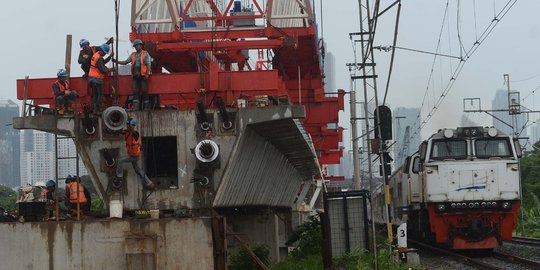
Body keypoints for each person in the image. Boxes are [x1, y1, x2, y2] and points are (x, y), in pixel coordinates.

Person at [116, 118, 155, 190]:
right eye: (127, 125)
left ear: (133, 126)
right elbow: (120, 131)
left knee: (120, 160)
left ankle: (119, 177)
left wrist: (130, 125)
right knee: (138, 170)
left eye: (129, 125)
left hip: (134, 156)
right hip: (132, 155)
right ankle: (150, 184)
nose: (127, 126)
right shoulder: (126, 132)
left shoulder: (135, 134)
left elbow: (133, 132)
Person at [114, 39, 151, 110]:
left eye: (137, 46)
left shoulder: (145, 54)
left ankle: (146, 106)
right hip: (135, 75)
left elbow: (148, 64)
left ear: (141, 46)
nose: (136, 47)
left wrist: (147, 74)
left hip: (143, 75)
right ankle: (136, 107)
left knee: (144, 90)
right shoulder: (133, 55)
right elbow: (125, 62)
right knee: (135, 91)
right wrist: (116, 61)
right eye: (135, 46)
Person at [88, 43, 114, 114]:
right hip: (97, 79)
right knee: (100, 95)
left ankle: (95, 109)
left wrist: (110, 57)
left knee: (95, 94)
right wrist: (110, 70)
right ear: (102, 51)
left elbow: (103, 62)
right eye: (105, 53)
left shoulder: (96, 55)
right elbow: (102, 69)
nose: (105, 55)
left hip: (92, 78)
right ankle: (99, 108)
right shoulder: (99, 58)